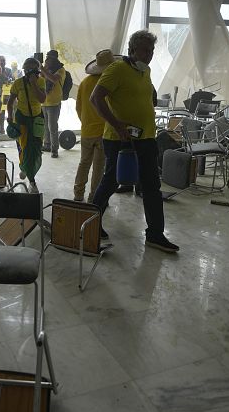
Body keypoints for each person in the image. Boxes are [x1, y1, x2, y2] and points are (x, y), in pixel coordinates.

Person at [90, 30, 179, 253]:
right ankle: (89, 224)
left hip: (146, 137)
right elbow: (96, 98)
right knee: (111, 182)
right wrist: (117, 124)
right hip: (120, 139)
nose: (150, 55)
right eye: (145, 50)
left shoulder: (145, 71)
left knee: (151, 185)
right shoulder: (117, 69)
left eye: (152, 51)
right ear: (132, 50)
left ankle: (155, 235)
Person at [73, 49, 115, 203]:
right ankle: (94, 198)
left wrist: (86, 122)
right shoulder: (108, 82)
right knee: (99, 167)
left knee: (84, 163)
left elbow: (78, 107)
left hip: (87, 131)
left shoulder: (84, 83)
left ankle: (78, 195)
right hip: (104, 132)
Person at [7, 57, 46, 193]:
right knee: (24, 148)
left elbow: (42, 99)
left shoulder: (41, 82)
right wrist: (10, 117)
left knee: (36, 148)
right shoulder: (18, 83)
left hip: (36, 120)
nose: (31, 73)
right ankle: (32, 180)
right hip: (22, 120)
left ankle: (25, 168)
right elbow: (10, 102)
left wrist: (34, 84)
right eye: (28, 70)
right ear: (24, 71)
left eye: (34, 70)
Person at [40, 49, 66, 158]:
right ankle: (47, 144)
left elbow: (54, 79)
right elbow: (40, 78)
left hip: (54, 102)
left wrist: (43, 69)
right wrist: (43, 68)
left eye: (50, 58)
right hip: (44, 102)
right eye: (47, 57)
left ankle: (54, 149)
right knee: (45, 126)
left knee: (52, 127)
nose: (48, 60)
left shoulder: (61, 70)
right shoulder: (47, 69)